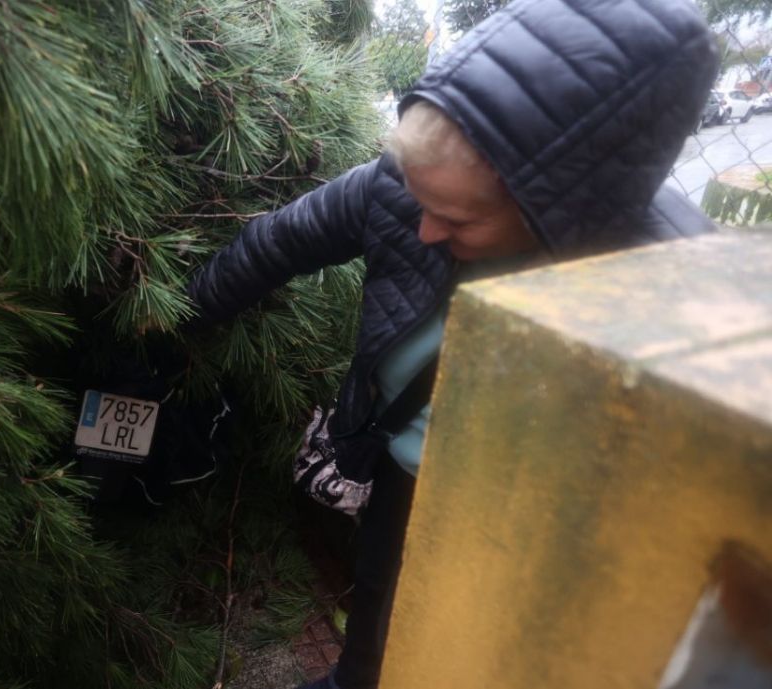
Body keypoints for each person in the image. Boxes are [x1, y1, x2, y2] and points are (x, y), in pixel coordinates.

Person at [184, 1, 720, 687]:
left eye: (457, 217)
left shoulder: (669, 280)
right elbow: (276, 243)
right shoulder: (403, 188)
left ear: (555, 207)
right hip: (405, 471)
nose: (427, 230)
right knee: (378, 608)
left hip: (537, 517)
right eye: (421, 201)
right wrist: (169, 323)